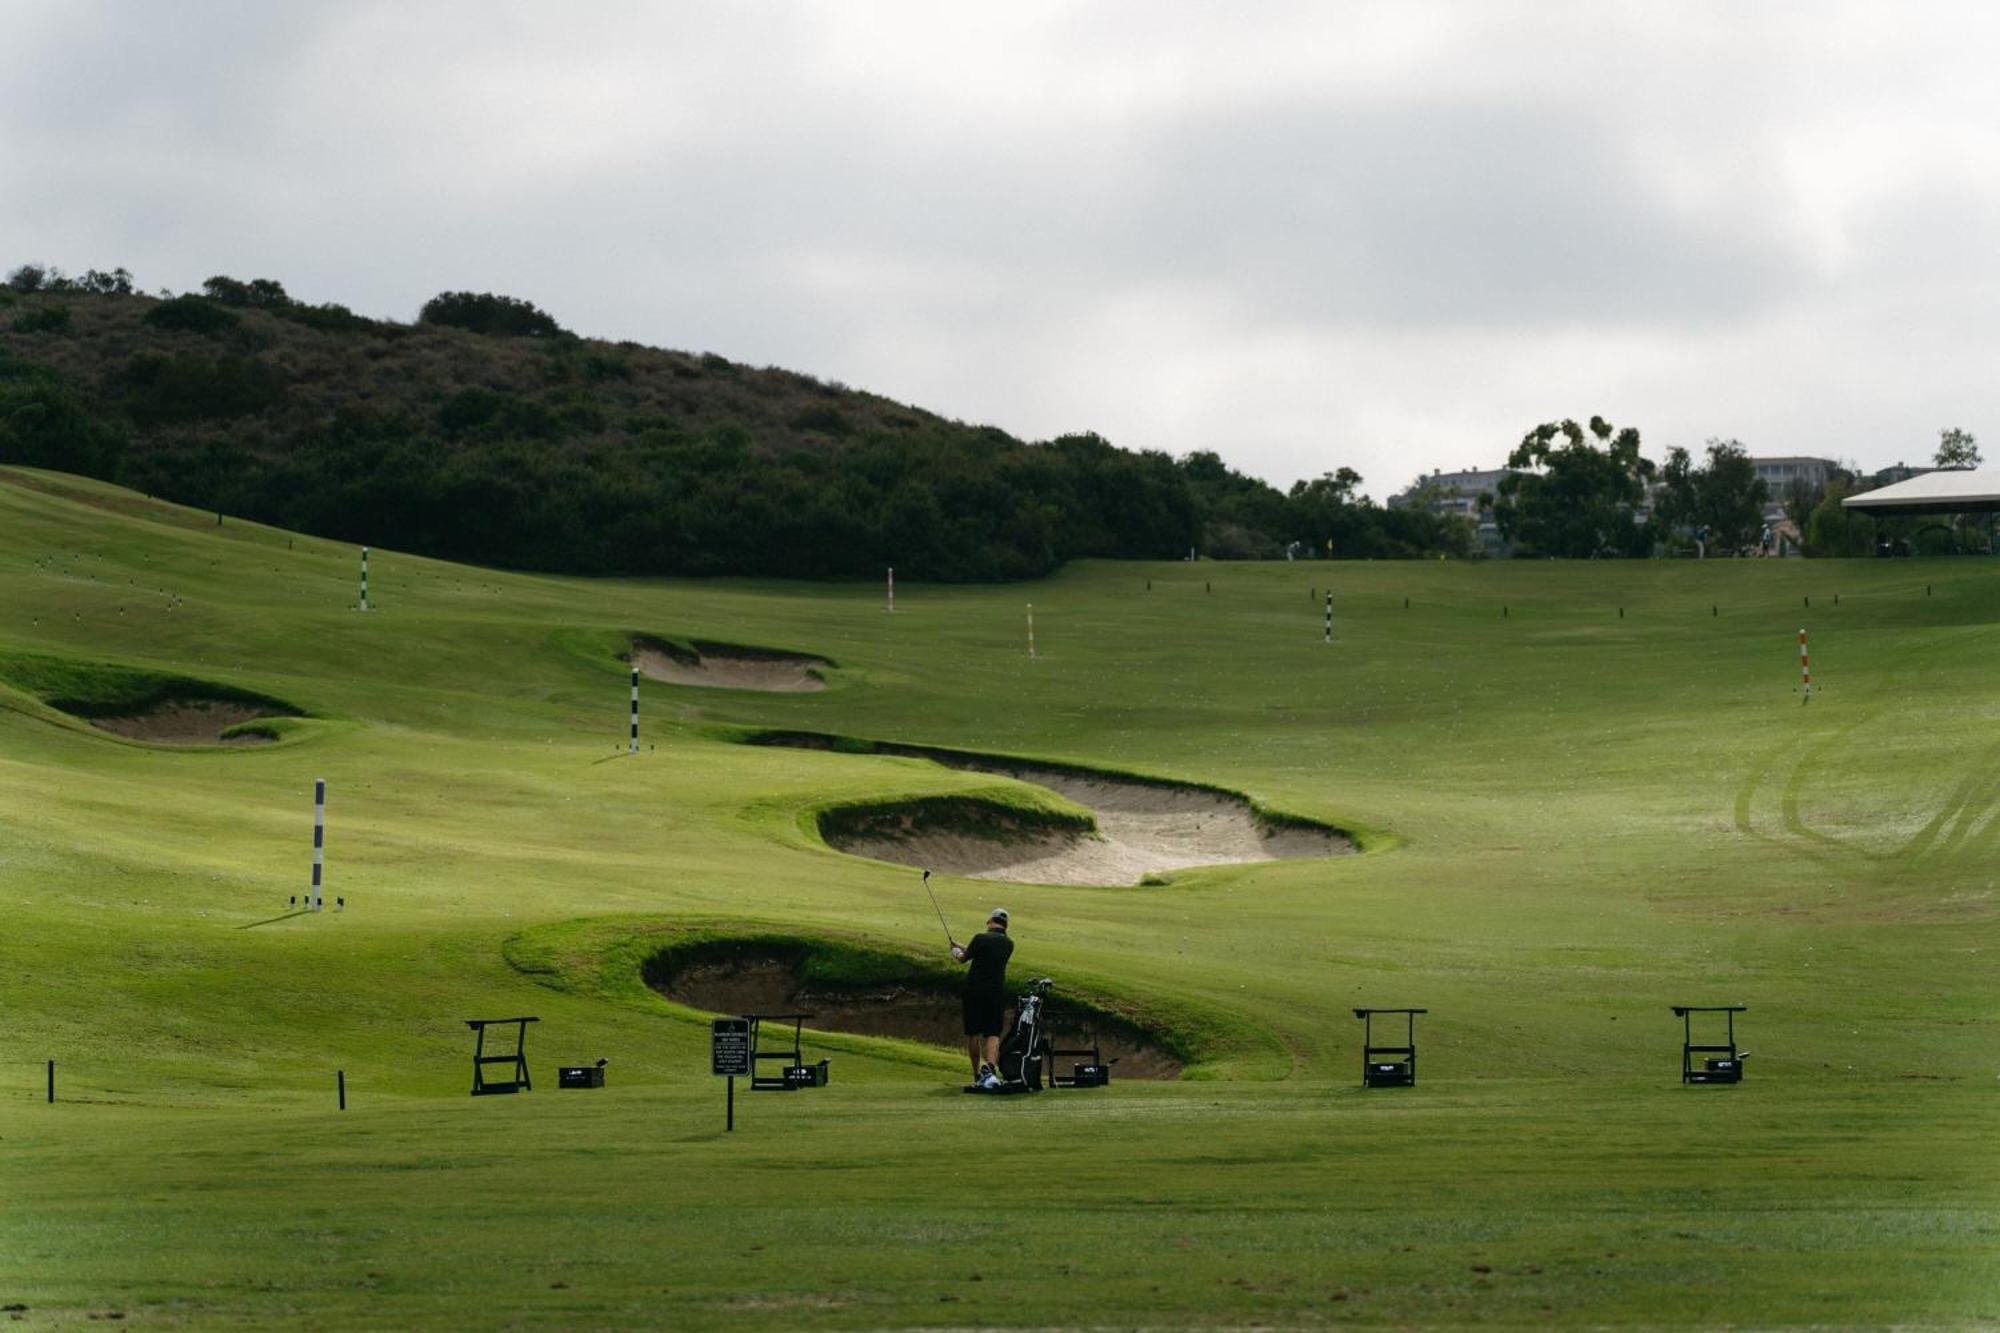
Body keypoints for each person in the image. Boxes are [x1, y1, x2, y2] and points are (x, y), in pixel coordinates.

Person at [951, 908, 1013, 1089]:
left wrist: (955, 951)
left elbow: (963, 958)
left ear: (990, 922)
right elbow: (979, 951)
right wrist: (963, 946)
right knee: (993, 1033)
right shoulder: (1009, 944)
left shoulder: (980, 938)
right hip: (995, 993)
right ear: (1005, 926)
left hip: (974, 992)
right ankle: (990, 1070)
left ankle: (977, 1074)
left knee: (973, 1033)